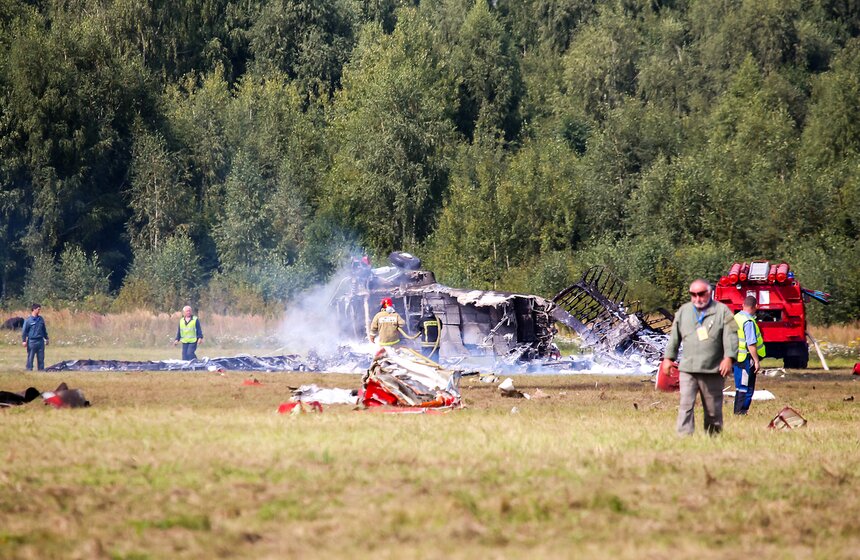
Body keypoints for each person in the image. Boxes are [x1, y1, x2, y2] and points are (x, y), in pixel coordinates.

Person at [663, 279, 738, 436]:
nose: (697, 298)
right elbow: (674, 337)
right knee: (686, 405)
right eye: (693, 294)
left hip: (713, 369)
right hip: (688, 369)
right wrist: (668, 358)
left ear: (709, 293)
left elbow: (732, 336)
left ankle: (713, 437)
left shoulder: (723, 311)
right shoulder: (683, 312)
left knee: (713, 410)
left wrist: (729, 358)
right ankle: (684, 438)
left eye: (701, 294)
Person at [733, 295, 766, 415]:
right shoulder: (748, 322)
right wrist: (756, 361)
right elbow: (751, 343)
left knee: (739, 386)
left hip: (736, 356)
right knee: (746, 387)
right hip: (746, 359)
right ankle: (741, 412)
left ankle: (738, 411)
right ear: (756, 306)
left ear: (743, 305)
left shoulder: (736, 317)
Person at [21, 303, 49, 371]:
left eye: (40, 309)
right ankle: (29, 369)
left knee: (41, 357)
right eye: (38, 309)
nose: (39, 311)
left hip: (40, 341)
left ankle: (41, 369)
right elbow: (24, 331)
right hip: (32, 341)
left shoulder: (41, 319)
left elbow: (44, 329)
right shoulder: (28, 320)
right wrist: (24, 341)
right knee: (30, 356)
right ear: (34, 309)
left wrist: (46, 338)